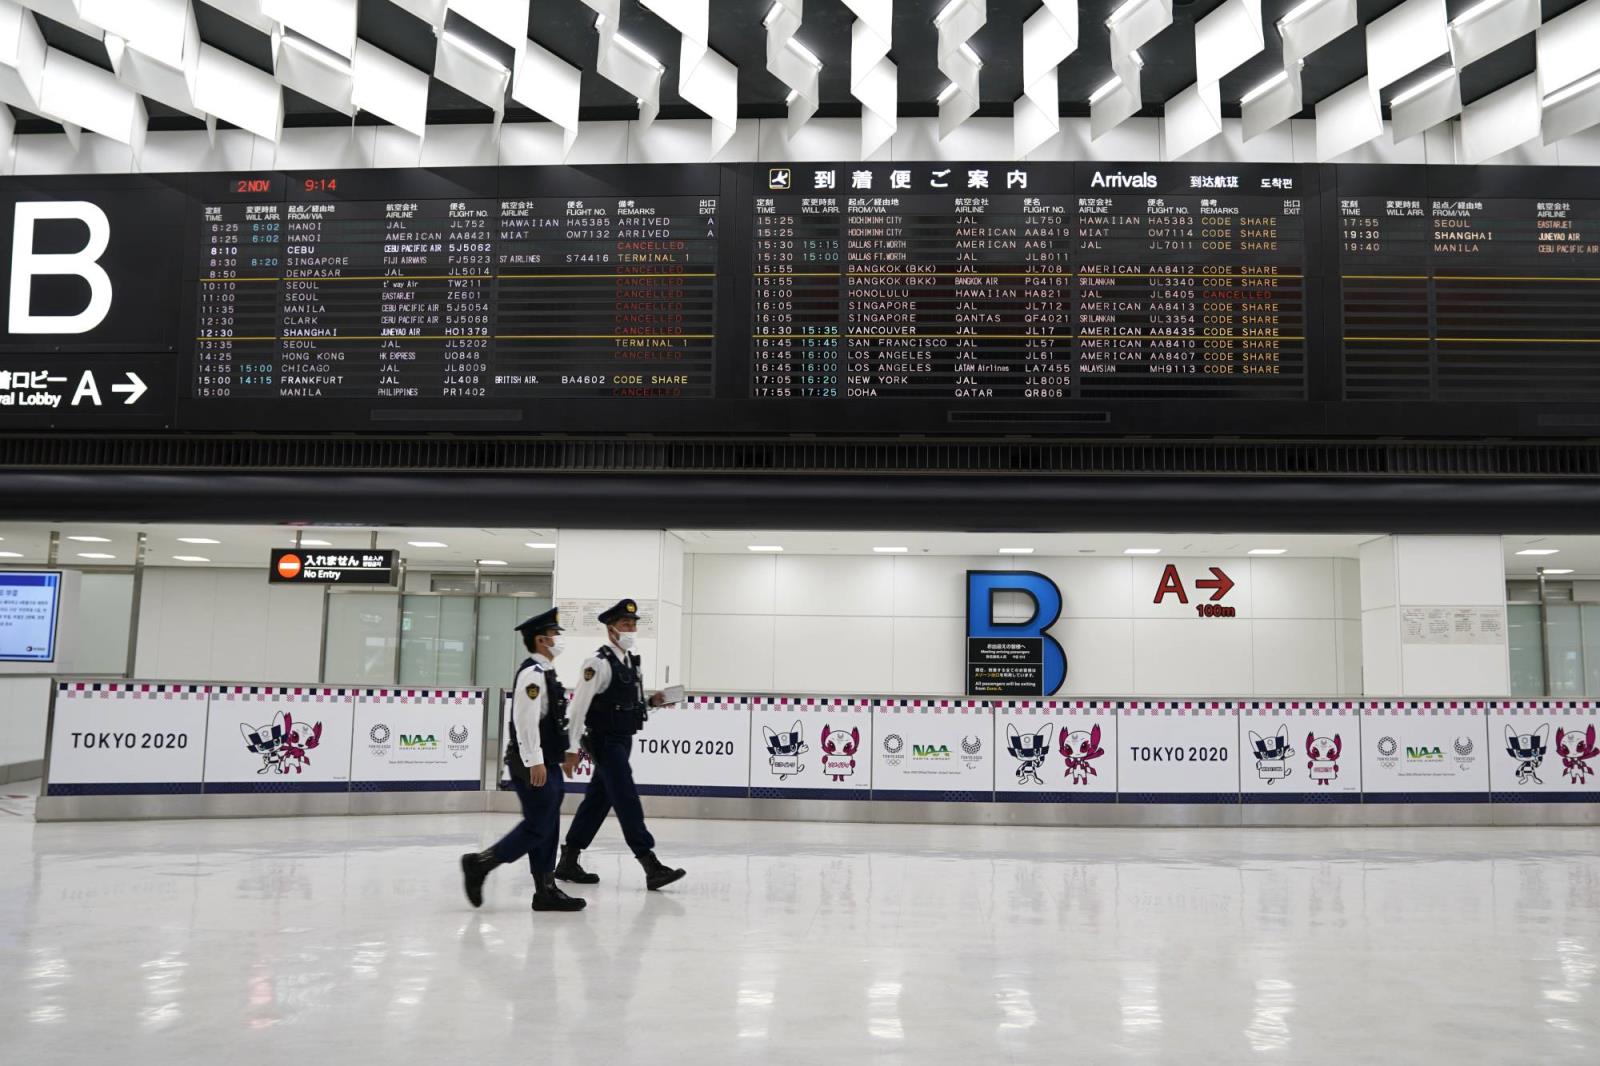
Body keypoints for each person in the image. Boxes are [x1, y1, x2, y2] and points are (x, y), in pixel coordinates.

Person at [554, 598, 686, 891]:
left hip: (623, 740)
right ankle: (649, 864)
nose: (631, 628)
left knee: (598, 800)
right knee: (626, 798)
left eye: (634, 624)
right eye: (625, 624)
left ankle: (568, 860)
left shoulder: (630, 662)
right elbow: (578, 709)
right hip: (604, 741)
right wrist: (572, 748)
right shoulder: (597, 663)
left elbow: (626, 706)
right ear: (611, 629)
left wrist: (652, 702)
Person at [460, 608, 586, 912]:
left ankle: (545, 890)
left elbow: (554, 720)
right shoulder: (532, 674)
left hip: (548, 761)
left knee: (549, 825)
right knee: (538, 827)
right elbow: (524, 720)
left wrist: (568, 752)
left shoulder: (547, 673)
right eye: (554, 635)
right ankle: (480, 864)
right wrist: (534, 761)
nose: (558, 639)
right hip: (532, 764)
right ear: (541, 640)